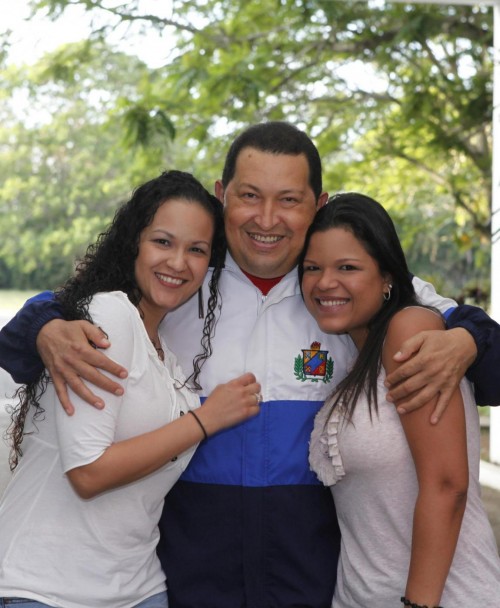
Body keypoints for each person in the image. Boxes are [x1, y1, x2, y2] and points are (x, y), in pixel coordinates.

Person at [1, 122, 500, 607]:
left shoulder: (345, 288)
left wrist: (469, 340)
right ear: (223, 195)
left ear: (318, 205)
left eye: (289, 200)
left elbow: (486, 362)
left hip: (309, 586)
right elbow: (46, 321)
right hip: (186, 584)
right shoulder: (181, 275)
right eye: (249, 196)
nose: (266, 219)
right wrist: (46, 327)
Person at [0, 170, 261, 608]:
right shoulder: (108, 316)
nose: (178, 262)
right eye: (163, 242)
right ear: (133, 242)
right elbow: (88, 473)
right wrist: (206, 419)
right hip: (48, 589)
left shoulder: (167, 355)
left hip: (139, 588)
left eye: (196, 250)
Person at [303, 192, 500, 607]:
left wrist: (417, 605)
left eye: (347, 267)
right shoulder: (355, 356)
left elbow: (447, 486)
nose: (324, 282)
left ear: (387, 277)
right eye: (312, 268)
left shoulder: (410, 330)